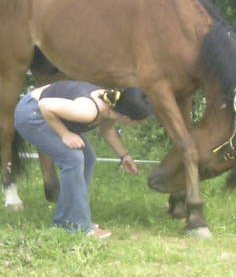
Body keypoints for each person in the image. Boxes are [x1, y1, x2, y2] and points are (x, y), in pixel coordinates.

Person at [14, 80, 153, 238]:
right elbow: (45, 105)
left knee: (88, 157)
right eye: (141, 121)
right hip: (32, 114)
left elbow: (107, 130)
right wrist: (64, 134)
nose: (143, 123)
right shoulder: (88, 111)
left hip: (46, 112)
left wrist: (124, 156)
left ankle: (69, 217)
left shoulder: (113, 106)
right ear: (127, 118)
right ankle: (74, 224)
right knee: (73, 159)